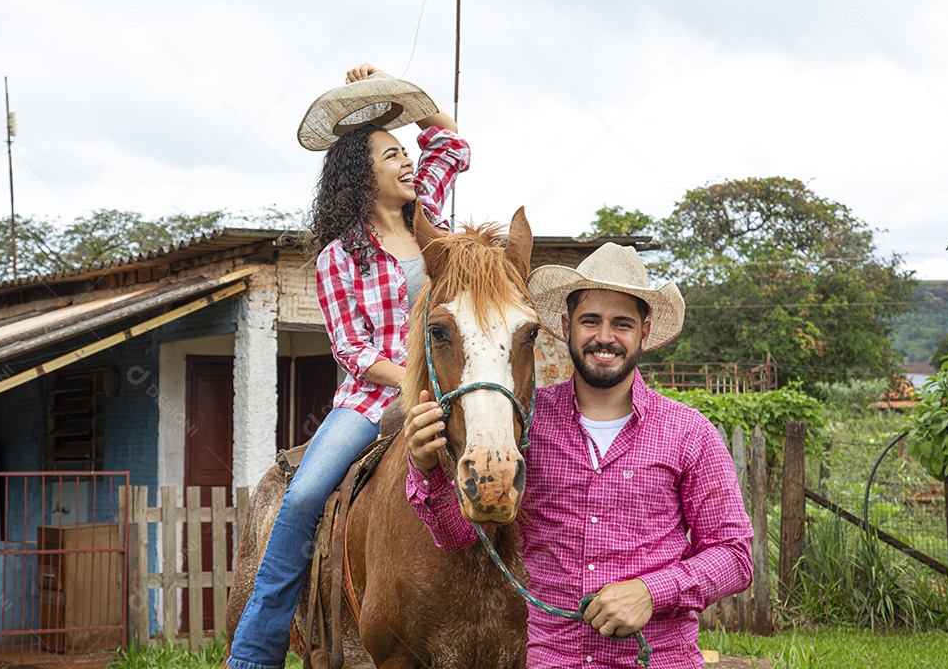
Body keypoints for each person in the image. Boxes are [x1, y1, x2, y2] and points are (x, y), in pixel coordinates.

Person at [404, 242, 753, 668]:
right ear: (567, 327)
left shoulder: (690, 433)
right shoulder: (524, 428)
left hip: (657, 659)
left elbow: (734, 555)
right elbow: (461, 538)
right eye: (591, 321)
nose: (604, 337)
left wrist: (652, 591)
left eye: (621, 323)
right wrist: (425, 470)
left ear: (644, 332)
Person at [227, 63, 469, 669]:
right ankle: (254, 654)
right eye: (392, 155)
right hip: (373, 402)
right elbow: (353, 352)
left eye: (405, 155)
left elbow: (451, 140)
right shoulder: (341, 257)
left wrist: (391, 89)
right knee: (305, 494)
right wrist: (416, 379)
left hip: (457, 389)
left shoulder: (432, 215)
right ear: (364, 177)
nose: (409, 162)